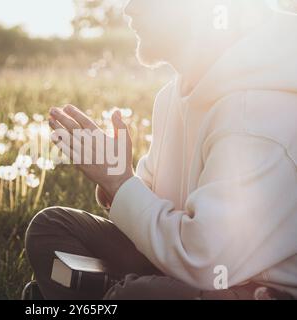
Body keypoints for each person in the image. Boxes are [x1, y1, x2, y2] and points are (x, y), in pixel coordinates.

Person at [24, 0, 297, 300]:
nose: (128, 10)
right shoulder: (173, 94)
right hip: (180, 268)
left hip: (246, 286)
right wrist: (116, 178)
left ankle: (88, 294)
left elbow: (206, 262)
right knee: (50, 228)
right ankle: (103, 294)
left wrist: (120, 183)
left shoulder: (254, 115)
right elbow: (153, 213)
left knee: (140, 294)